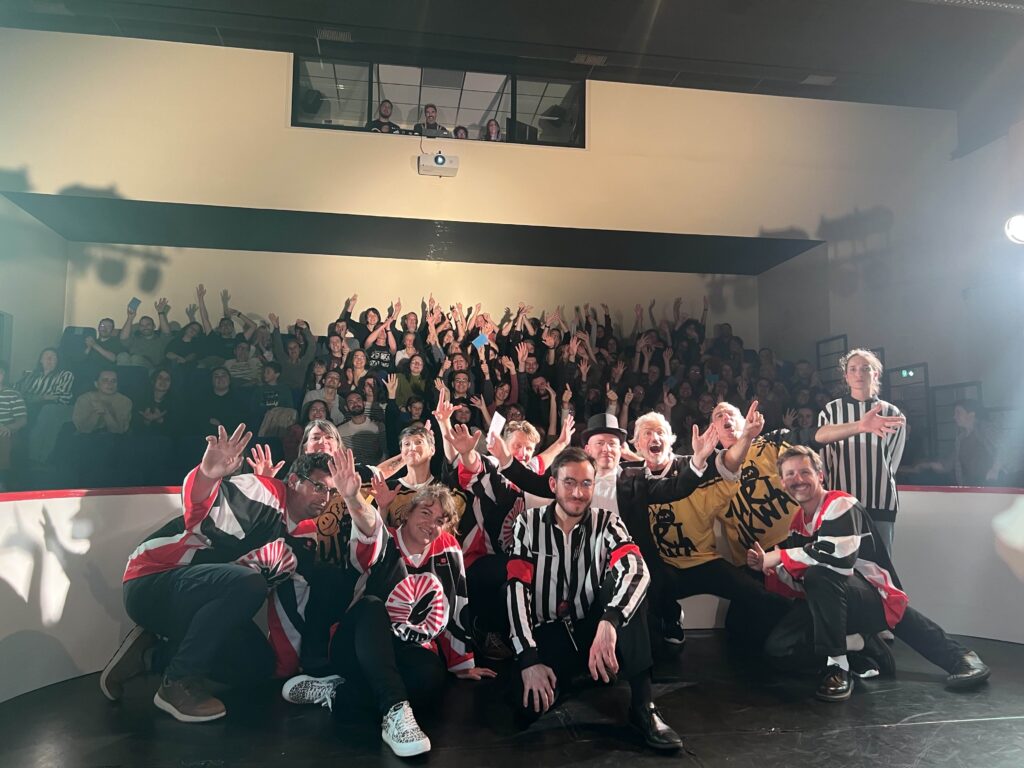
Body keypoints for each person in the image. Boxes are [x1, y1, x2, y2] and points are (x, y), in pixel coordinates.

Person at [99, 427, 380, 723]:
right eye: (319, 487)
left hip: (196, 599)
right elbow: (200, 517)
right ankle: (178, 683)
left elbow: (294, 602)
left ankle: (151, 654)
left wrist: (293, 666)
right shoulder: (264, 492)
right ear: (294, 481)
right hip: (153, 579)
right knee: (248, 583)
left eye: (331, 492)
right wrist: (207, 475)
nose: (325, 498)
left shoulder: (306, 534)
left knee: (257, 667)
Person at [752, 445, 991, 702]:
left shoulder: (840, 503)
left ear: (820, 475)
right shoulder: (796, 524)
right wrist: (770, 568)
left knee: (821, 577)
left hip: (872, 595)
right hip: (832, 602)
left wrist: (780, 556)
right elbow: (801, 584)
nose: (797, 479)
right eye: (789, 474)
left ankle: (838, 667)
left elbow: (837, 558)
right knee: (779, 650)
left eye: (804, 472)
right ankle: (860, 645)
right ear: (782, 482)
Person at [282, 482, 495, 758]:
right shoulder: (386, 539)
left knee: (430, 676)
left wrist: (461, 662)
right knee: (372, 606)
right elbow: (367, 534)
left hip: (401, 649)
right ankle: (395, 709)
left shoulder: (448, 547)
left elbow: (457, 601)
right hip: (358, 642)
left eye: (440, 520)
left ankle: (338, 691)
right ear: (408, 513)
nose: (431, 524)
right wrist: (354, 497)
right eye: (426, 513)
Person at [504, 447, 682, 750]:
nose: (578, 493)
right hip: (549, 630)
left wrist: (610, 621)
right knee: (525, 708)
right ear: (553, 484)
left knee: (626, 587)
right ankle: (578, 674)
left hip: (593, 625)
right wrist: (529, 658)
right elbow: (516, 589)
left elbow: (637, 570)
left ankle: (643, 707)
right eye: (569, 482)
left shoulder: (608, 522)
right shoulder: (528, 524)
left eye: (586, 483)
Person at [631, 408, 791, 648]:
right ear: (637, 444)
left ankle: (803, 621)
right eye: (647, 433)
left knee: (755, 597)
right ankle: (670, 619)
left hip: (704, 561)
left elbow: (728, 465)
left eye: (660, 432)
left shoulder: (694, 465)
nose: (654, 438)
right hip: (664, 568)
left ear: (671, 440)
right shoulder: (630, 478)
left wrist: (746, 437)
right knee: (647, 584)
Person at [816, 348, 906, 557]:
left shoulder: (892, 413)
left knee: (880, 565)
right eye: (853, 369)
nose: (859, 374)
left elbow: (893, 459)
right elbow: (824, 459)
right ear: (846, 376)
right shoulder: (831, 411)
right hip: (841, 500)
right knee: (841, 562)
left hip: (881, 501)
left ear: (875, 374)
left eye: (865, 368)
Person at [72, 368, 132, 434]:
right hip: (87, 437)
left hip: (115, 438)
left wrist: (106, 412)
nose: (110, 384)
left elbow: (119, 431)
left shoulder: (125, 401)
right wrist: (97, 412)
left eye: (113, 381)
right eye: (105, 380)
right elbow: (83, 430)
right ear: (96, 384)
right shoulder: (84, 399)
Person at [118, 299, 172, 369]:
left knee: (136, 358)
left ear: (154, 326)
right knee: (122, 356)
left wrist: (161, 312)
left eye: (148, 324)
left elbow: (167, 333)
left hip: (150, 368)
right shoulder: (135, 338)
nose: (145, 327)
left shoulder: (160, 340)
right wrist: (130, 318)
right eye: (142, 325)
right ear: (139, 328)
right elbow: (123, 339)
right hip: (131, 365)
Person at [337, 390, 384, 465]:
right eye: (351, 402)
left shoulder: (378, 426)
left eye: (358, 400)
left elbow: (384, 454)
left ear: (364, 404)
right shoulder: (339, 430)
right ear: (346, 408)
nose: (355, 404)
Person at [0, 361, 28, 489]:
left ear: (3, 375)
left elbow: (22, 420)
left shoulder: (13, 394)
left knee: (3, 437)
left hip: (7, 431)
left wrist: (8, 428)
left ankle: (2, 483)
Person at [133, 367, 177, 435]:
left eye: (167, 379)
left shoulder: (175, 402)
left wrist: (160, 420)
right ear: (153, 380)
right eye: (160, 378)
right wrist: (146, 421)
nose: (163, 381)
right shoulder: (140, 398)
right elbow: (134, 427)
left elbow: (175, 430)